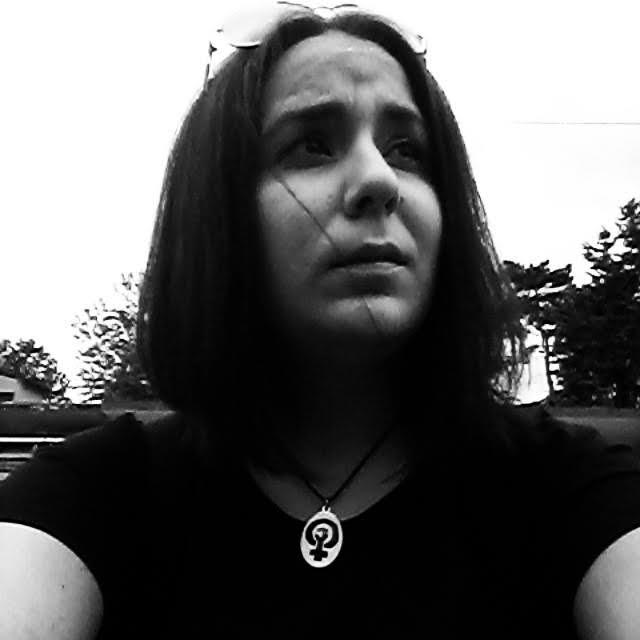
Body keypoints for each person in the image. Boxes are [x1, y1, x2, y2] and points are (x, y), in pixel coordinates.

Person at [1, 3, 640, 638]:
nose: (379, 179)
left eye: (407, 150)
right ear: (220, 211)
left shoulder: (566, 488)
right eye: (312, 144)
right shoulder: (101, 496)